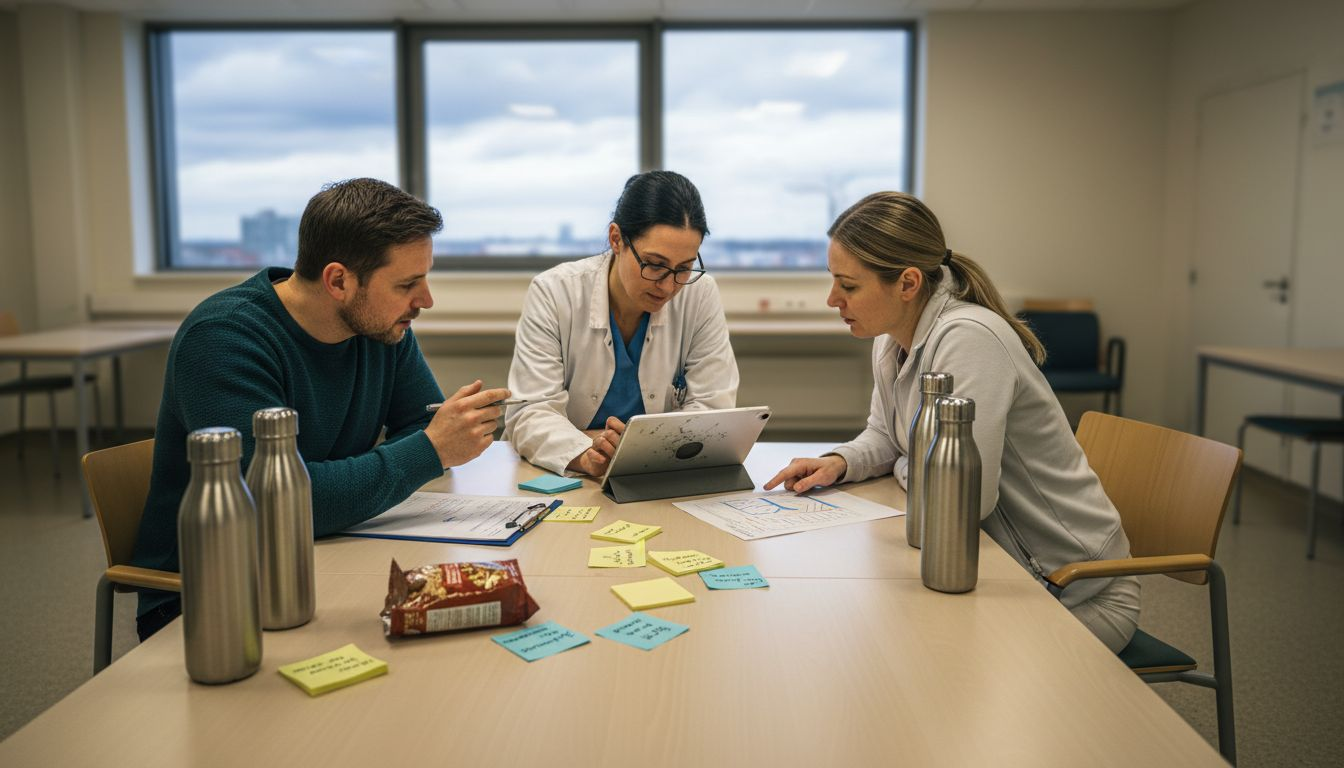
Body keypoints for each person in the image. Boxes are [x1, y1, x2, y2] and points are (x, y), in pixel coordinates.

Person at [131, 178, 509, 641]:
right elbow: (278, 504)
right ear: (338, 281)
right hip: (212, 593)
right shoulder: (223, 339)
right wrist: (427, 452)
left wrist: (367, 475)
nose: (425, 300)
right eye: (408, 283)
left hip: (326, 550)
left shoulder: (383, 328)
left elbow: (420, 423)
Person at [765, 191, 1139, 653]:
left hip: (1074, 590)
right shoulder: (892, 339)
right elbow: (886, 435)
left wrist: (907, 465)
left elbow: (960, 501)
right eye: (833, 281)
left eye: (849, 285)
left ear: (907, 283)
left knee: (917, 663)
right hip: (1000, 569)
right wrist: (842, 461)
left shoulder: (970, 339)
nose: (831, 299)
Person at [503, 170, 738, 477]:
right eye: (655, 265)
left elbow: (713, 410)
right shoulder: (554, 292)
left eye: (684, 268)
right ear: (616, 239)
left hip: (657, 475)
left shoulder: (699, 295)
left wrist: (641, 450)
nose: (668, 287)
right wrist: (585, 454)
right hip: (565, 474)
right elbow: (530, 412)